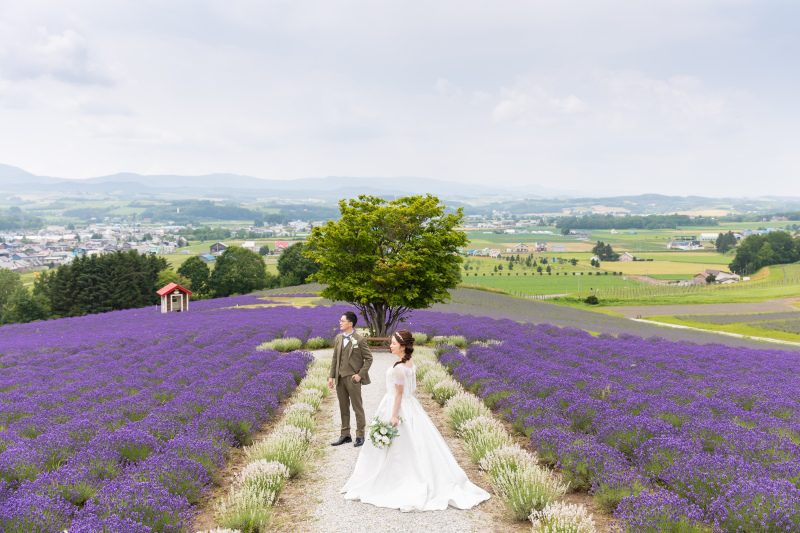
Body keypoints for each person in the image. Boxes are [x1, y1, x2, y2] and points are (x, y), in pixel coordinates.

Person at [340, 330, 490, 511]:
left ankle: (393, 479)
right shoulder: (409, 363)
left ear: (403, 347)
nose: (390, 346)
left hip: (397, 406)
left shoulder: (398, 368)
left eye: (394, 343)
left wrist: (394, 416)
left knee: (401, 444)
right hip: (411, 406)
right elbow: (411, 391)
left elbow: (399, 394)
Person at [328, 311, 373, 447]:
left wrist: (360, 375)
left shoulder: (359, 339)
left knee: (357, 407)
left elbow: (369, 359)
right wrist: (331, 376)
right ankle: (345, 434)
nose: (340, 323)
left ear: (350, 324)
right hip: (340, 378)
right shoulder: (339, 338)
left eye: (342, 321)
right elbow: (335, 358)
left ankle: (360, 435)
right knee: (343, 407)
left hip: (353, 379)